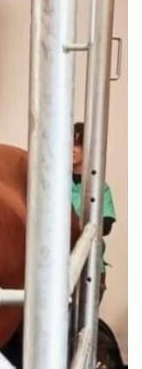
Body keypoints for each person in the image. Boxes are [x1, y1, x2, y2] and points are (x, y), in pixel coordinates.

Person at [72, 122, 116, 297]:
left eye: (78, 144)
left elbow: (105, 225)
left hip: (90, 265)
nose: (73, 149)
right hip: (59, 264)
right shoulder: (56, 184)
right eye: (70, 144)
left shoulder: (100, 187)